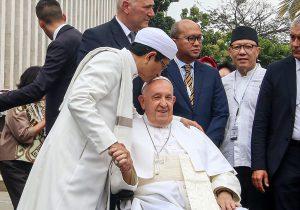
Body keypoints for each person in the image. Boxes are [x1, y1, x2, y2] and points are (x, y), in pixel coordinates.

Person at [17, 27, 178, 210]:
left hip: (89, 166)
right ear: (150, 56)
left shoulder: (125, 70)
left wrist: (179, 121)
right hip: (73, 165)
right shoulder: (111, 61)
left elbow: (130, 115)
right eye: (162, 65)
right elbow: (79, 101)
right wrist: (111, 143)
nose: (160, 73)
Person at [113, 76, 244, 210]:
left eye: (168, 98)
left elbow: (221, 170)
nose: (164, 104)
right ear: (142, 101)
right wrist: (127, 169)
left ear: (174, 101)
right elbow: (116, 182)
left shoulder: (191, 131)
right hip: (151, 202)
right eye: (157, 97)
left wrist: (224, 192)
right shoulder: (128, 132)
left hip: (203, 199)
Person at [137, 19, 229, 146]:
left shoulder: (211, 73)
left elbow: (220, 112)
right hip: (167, 144)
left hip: (206, 146)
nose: (197, 43)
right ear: (174, 42)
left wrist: (208, 143)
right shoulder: (159, 69)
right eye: (191, 38)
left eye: (199, 38)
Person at [0, 0, 82, 134]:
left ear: (41, 23)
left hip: (61, 124)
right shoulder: (81, 38)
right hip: (76, 120)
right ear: (64, 16)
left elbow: (38, 88)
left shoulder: (60, 44)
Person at [220, 26, 271, 209]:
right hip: (227, 161)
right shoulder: (222, 82)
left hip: (259, 164)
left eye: (248, 46)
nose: (242, 52)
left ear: (257, 50)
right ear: (230, 51)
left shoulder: (269, 79)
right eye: (237, 47)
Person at [251, 17, 300, 210]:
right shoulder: (276, 71)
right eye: (292, 38)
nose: (295, 44)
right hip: (286, 158)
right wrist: (259, 165)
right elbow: (261, 120)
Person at [0, 66, 45, 209]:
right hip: (14, 162)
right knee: (23, 204)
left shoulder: (41, 105)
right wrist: (46, 121)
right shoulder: (17, 104)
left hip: (33, 162)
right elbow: (23, 134)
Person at [76, 0, 155, 64]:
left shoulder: (146, 40)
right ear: (126, 7)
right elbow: (88, 79)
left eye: (152, 7)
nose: (152, 14)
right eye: (147, 7)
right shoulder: (96, 37)